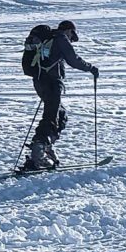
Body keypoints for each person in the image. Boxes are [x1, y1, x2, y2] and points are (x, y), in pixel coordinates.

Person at [21, 21, 99, 171]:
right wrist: (91, 68)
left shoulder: (48, 39)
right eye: (72, 34)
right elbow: (73, 60)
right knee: (51, 117)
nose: (71, 38)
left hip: (39, 81)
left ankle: (45, 149)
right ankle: (38, 153)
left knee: (60, 115)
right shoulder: (60, 39)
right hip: (52, 82)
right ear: (68, 30)